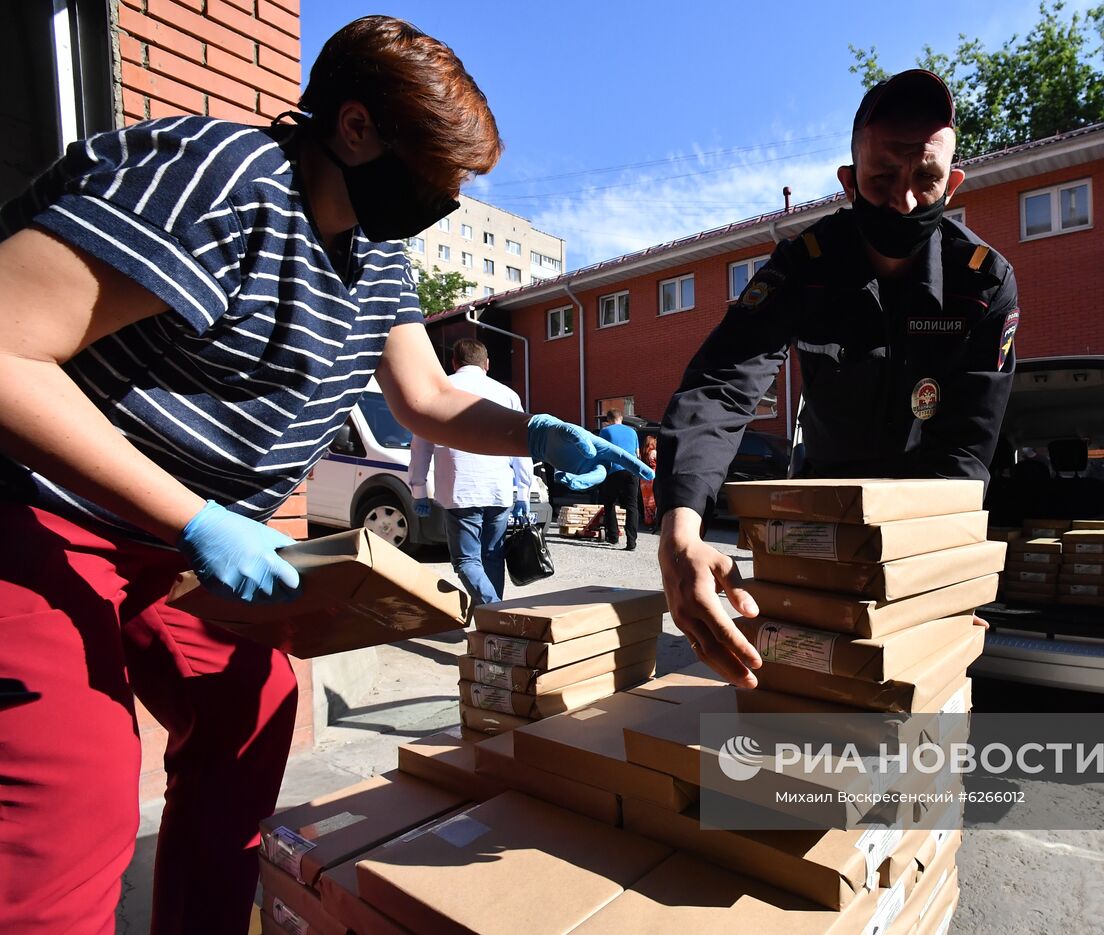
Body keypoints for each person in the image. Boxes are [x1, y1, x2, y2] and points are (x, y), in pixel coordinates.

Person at [0, 16, 648, 935]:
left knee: (251, 714)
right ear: (354, 128)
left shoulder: (377, 257)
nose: (451, 198)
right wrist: (200, 520)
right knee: (69, 797)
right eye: (441, 172)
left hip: (168, 544)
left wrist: (538, 432)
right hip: (39, 512)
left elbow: (424, 395)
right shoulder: (219, 181)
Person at [654, 69, 1019, 687]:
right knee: (799, 686)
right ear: (849, 182)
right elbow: (724, 380)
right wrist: (679, 527)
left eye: (925, 180)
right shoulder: (805, 265)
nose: (904, 200)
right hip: (816, 518)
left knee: (911, 703)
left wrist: (943, 577)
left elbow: (967, 444)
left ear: (952, 184)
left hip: (921, 529)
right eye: (881, 179)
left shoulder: (982, 283)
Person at [409, 338, 533, 605]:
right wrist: (524, 491)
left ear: (453, 363)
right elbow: (522, 445)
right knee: (492, 557)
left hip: (460, 489)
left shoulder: (439, 392)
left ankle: (495, 611)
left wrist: (418, 489)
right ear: (487, 364)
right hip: (499, 490)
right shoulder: (506, 394)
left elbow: (421, 445)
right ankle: (494, 622)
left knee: (466, 560)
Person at [597, 409, 641, 550]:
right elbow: (637, 454)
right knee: (632, 506)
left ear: (609, 420)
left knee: (609, 504)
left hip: (614, 470)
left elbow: (600, 452)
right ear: (621, 418)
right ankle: (631, 543)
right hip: (632, 471)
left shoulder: (605, 431)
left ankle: (613, 537)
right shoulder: (633, 432)